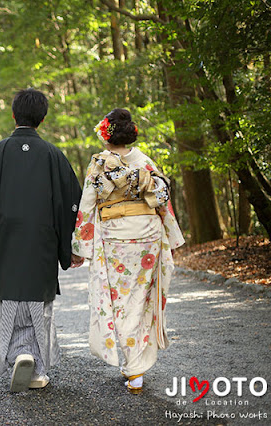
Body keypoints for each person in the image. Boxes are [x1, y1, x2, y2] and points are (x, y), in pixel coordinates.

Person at [0, 88, 82, 392]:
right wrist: (73, 247)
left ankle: (17, 356)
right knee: (39, 304)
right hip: (43, 243)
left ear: (13, 115)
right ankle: (38, 369)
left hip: (4, 242)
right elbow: (72, 205)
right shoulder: (54, 156)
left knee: (9, 302)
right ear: (43, 118)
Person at [71, 108, 185, 394]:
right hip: (147, 233)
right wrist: (171, 237)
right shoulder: (144, 161)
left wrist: (80, 247)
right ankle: (136, 364)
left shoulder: (99, 164)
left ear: (106, 136)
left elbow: (87, 205)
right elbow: (162, 203)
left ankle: (134, 368)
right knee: (141, 298)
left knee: (121, 299)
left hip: (116, 236)